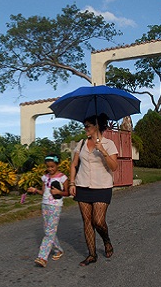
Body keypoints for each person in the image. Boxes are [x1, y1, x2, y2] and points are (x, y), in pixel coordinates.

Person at [69, 114, 119, 266]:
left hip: (102, 186)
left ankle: (106, 241)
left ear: (97, 126)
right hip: (82, 185)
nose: (85, 129)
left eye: (87, 126)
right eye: (84, 126)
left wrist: (103, 151)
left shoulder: (109, 144)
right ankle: (92, 254)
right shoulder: (82, 143)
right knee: (87, 222)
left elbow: (114, 167)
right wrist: (72, 183)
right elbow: (74, 164)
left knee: (98, 221)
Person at [27, 154, 70, 268]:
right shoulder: (45, 177)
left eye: (52, 166)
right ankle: (58, 250)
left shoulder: (63, 178)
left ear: (57, 165)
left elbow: (68, 192)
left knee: (49, 231)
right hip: (45, 205)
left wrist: (59, 193)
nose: (50, 169)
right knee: (48, 230)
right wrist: (35, 190)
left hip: (55, 206)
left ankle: (42, 257)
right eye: (48, 167)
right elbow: (43, 192)